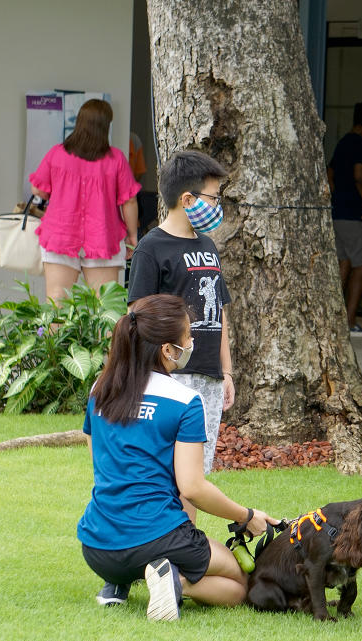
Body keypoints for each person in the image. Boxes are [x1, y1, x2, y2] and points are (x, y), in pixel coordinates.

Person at [78, 294, 279, 620]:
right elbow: (192, 488)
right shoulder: (184, 400)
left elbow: (101, 464)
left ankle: (116, 583)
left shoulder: (99, 389)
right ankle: (175, 582)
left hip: (96, 544)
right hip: (158, 538)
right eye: (187, 335)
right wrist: (247, 515)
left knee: (138, 541)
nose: (192, 341)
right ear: (167, 350)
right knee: (240, 584)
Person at [127, 150, 232, 477]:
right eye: (213, 197)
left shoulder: (208, 246)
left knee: (196, 475)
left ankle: (188, 530)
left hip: (209, 378)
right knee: (167, 470)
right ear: (188, 199)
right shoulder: (151, 248)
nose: (217, 205)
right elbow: (138, 316)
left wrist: (226, 372)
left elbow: (220, 311)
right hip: (172, 377)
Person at [30, 99, 140, 302]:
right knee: (105, 305)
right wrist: (132, 235)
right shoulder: (116, 159)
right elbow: (129, 201)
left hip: (60, 234)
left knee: (56, 301)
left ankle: (55, 336)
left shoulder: (57, 153)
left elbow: (38, 188)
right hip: (103, 236)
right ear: (105, 126)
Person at [327, 102, 362, 338]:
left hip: (338, 213)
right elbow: (360, 177)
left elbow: (329, 174)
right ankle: (349, 321)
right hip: (355, 215)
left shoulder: (342, 143)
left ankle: (332, 319)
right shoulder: (360, 144)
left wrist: (336, 198)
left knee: (344, 263)